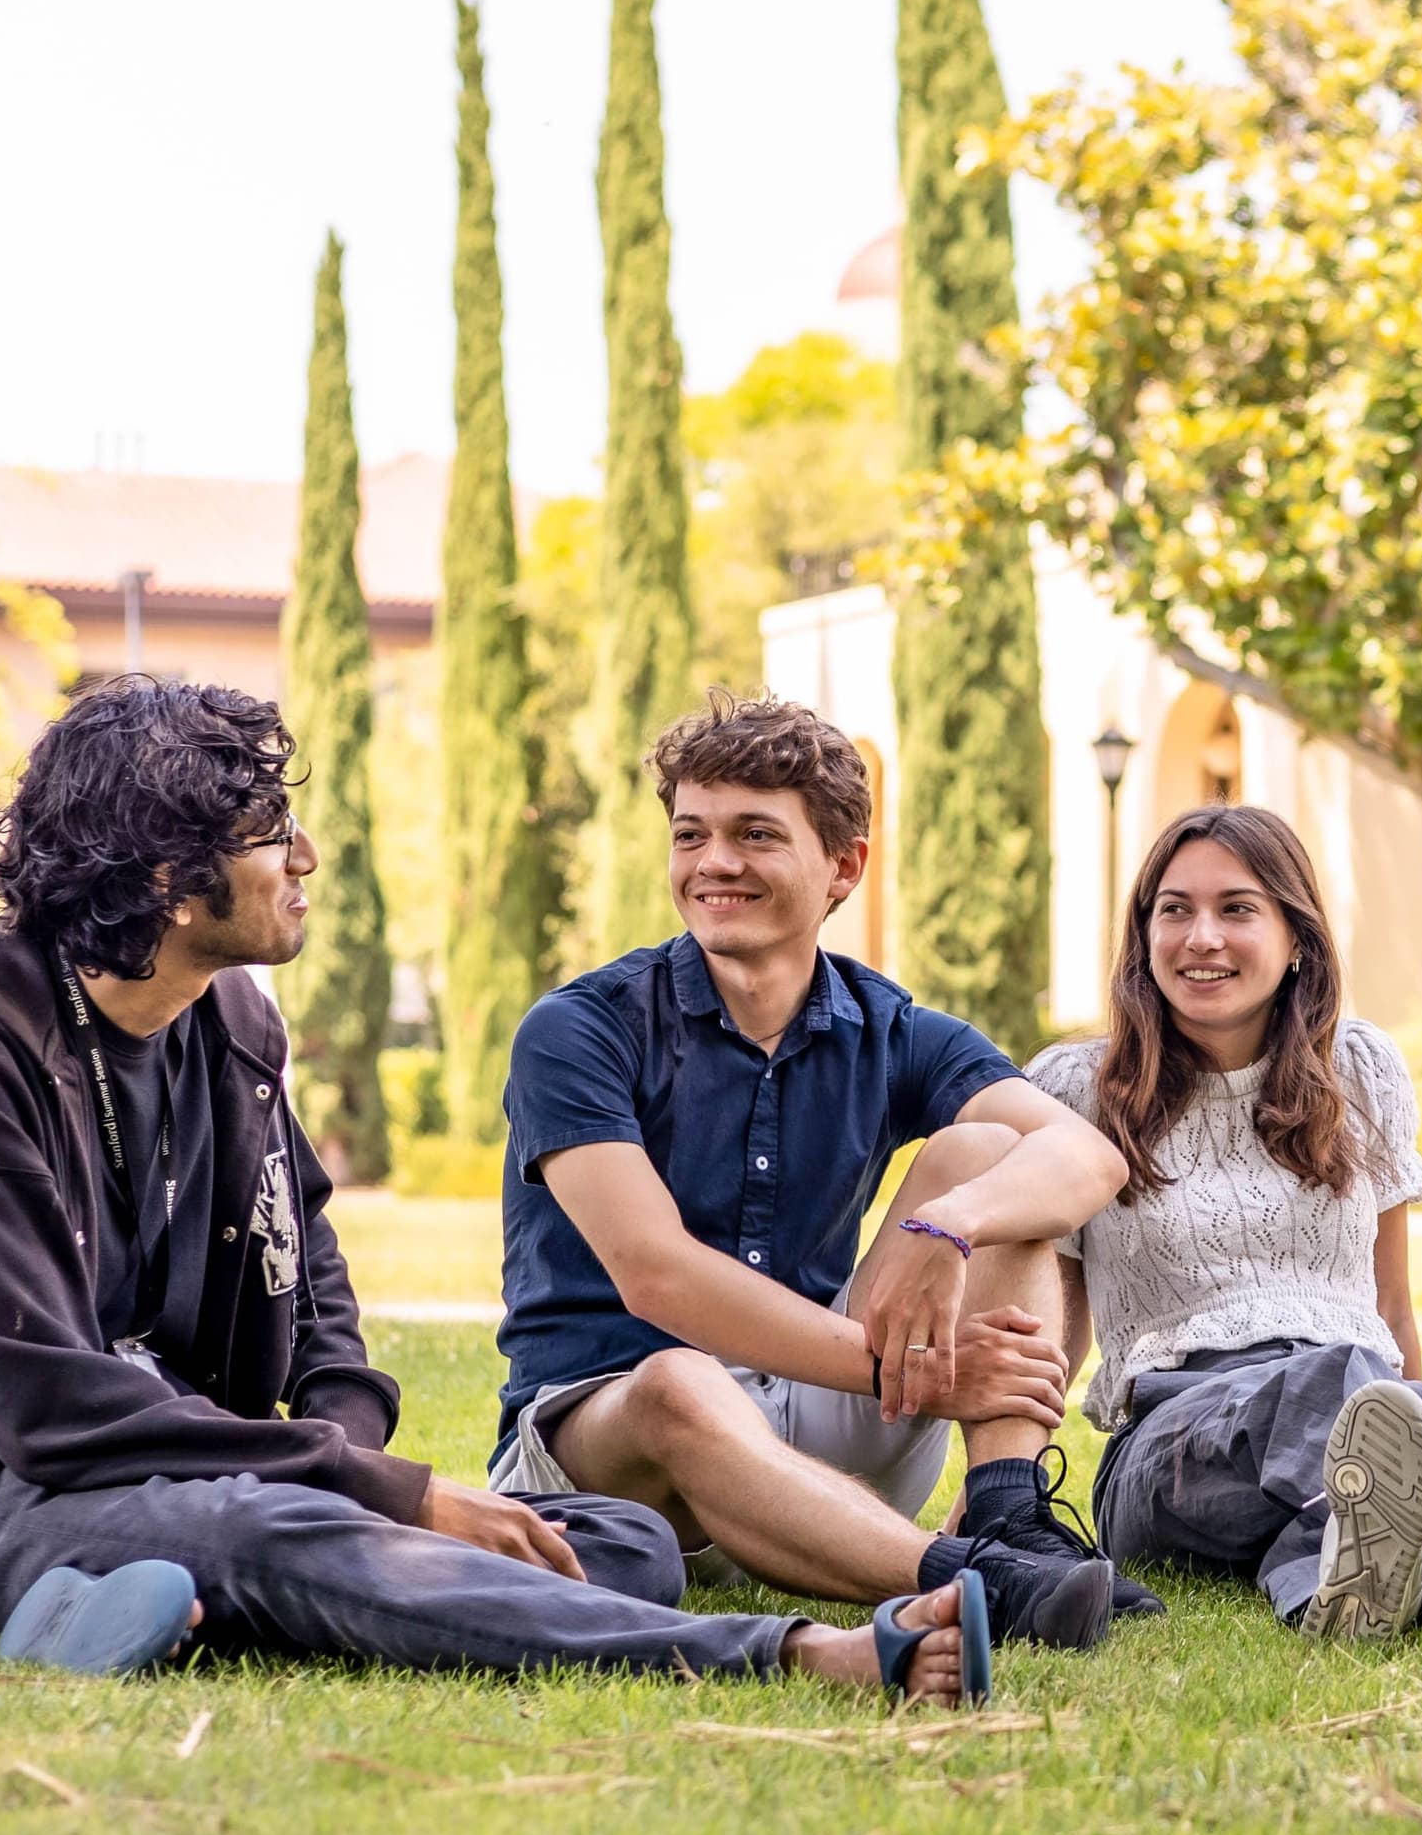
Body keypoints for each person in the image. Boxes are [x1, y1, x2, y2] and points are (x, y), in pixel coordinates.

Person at [0, 676, 990, 1706]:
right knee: (276, 1534)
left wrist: (353, 1459)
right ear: (166, 869)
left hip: (212, 1469)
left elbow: (313, 1293)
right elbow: (44, 1409)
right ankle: (791, 1656)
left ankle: (151, 1614)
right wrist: (383, 1498)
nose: (305, 854)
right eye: (270, 830)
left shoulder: (233, 1028)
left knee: (618, 1541)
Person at [490, 692, 1147, 1651]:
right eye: (691, 834)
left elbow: (1086, 1156)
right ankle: (973, 1580)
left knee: (990, 1160)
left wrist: (947, 1223)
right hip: (615, 1456)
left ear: (843, 867)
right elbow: (655, 1274)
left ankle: (1006, 1512)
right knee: (680, 1380)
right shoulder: (580, 1029)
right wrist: (921, 1368)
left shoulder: (890, 1028)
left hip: (825, 1428)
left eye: (755, 834)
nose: (714, 863)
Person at [1037, 805, 1422, 1640]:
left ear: (1296, 935)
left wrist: (1417, 1421)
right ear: (1144, 936)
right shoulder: (1077, 1089)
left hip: (1363, 1413)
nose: (1202, 937)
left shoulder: (1360, 1070)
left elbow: (1392, 1306)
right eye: (1175, 909)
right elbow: (1054, 1328)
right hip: (1171, 1447)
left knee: (1375, 1413)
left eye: (1237, 909)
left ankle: (1363, 1585)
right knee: (1347, 1389)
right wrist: (991, 1493)